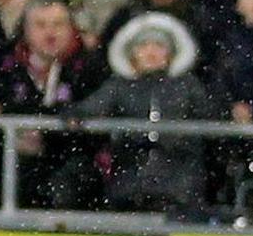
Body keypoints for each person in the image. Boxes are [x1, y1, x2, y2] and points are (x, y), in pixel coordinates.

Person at [78, 13, 221, 213]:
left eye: (159, 46)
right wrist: (74, 113)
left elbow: (210, 117)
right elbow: (93, 107)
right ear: (132, 53)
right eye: (143, 46)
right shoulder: (119, 85)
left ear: (170, 53)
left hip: (180, 187)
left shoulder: (187, 85)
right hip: (129, 184)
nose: (150, 52)